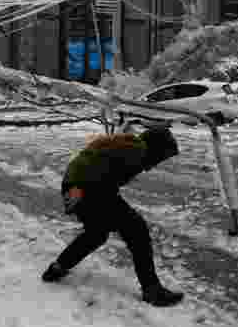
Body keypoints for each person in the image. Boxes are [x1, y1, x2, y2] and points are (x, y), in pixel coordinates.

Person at [42, 126, 184, 307]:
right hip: (89, 189)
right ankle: (152, 290)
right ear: (156, 148)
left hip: (74, 187)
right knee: (137, 230)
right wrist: (111, 209)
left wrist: (77, 197)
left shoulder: (130, 145)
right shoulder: (136, 151)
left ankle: (57, 268)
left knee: (97, 234)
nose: (158, 162)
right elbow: (102, 177)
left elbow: (96, 165)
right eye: (162, 156)